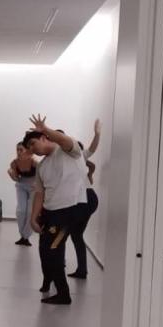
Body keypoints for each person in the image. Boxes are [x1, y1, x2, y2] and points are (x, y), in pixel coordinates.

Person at [24, 115, 89, 305]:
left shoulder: (68, 151)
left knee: (53, 250)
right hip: (51, 212)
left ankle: (64, 294)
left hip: (71, 210)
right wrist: (33, 218)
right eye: (29, 149)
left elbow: (63, 139)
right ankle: (53, 285)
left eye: (33, 144)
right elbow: (39, 193)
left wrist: (44, 128)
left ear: (44, 138)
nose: (33, 150)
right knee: (45, 250)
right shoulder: (42, 166)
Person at [68, 119, 102, 279]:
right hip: (85, 200)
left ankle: (59, 264)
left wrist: (97, 134)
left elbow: (92, 148)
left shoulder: (78, 156)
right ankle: (82, 270)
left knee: (67, 230)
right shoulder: (66, 160)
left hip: (86, 199)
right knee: (76, 234)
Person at [8, 141, 38, 246]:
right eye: (17, 150)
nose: (19, 152)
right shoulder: (14, 163)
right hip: (21, 185)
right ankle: (23, 236)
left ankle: (26, 236)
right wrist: (11, 174)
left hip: (34, 186)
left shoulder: (34, 162)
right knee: (21, 211)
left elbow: (42, 174)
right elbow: (16, 178)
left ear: (27, 151)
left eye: (21, 150)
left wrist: (37, 183)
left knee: (30, 212)